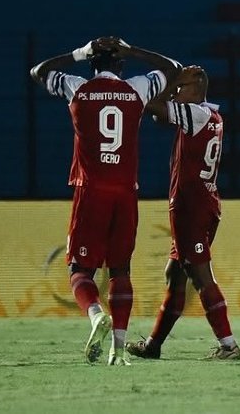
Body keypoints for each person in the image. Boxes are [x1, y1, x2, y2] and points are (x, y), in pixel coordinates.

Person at [29, 37, 182, 365]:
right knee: (120, 269)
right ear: (121, 65)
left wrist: (78, 53)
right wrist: (134, 50)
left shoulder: (77, 87)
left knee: (79, 269)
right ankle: (118, 348)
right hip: (126, 192)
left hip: (91, 189)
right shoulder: (137, 88)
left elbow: (38, 71)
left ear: (91, 63)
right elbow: (173, 69)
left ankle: (96, 314)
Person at [124, 65, 240, 361]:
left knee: (200, 274)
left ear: (197, 88)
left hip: (191, 207)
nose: (176, 92)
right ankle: (153, 346)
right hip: (205, 201)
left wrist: (146, 88)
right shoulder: (212, 115)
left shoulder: (197, 114)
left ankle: (229, 346)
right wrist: (172, 85)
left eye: (181, 86)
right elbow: (158, 114)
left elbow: (153, 108)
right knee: (175, 274)